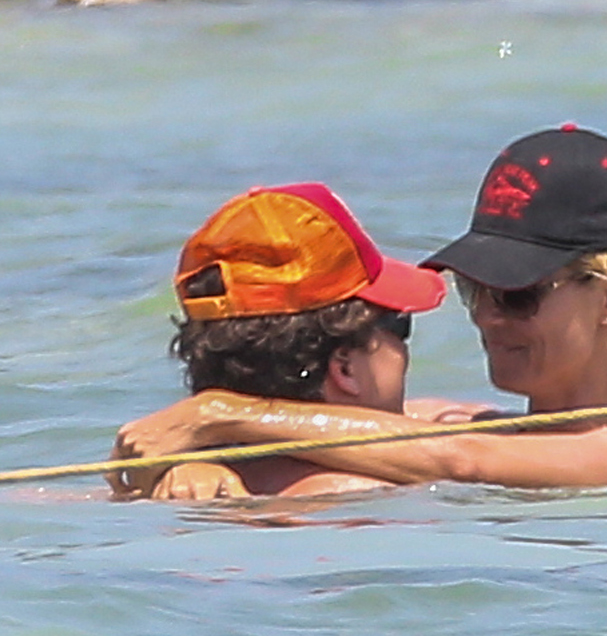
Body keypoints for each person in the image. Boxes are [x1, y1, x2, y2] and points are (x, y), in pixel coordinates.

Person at [114, 126, 607, 490]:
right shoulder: (436, 421)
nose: (485, 317)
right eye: (474, 289)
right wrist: (190, 469)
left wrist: (219, 414)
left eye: (515, 295)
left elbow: (464, 463)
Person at [121, 182, 455, 500]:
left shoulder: (170, 484)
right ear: (345, 368)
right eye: (400, 326)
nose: (404, 349)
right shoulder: (365, 496)